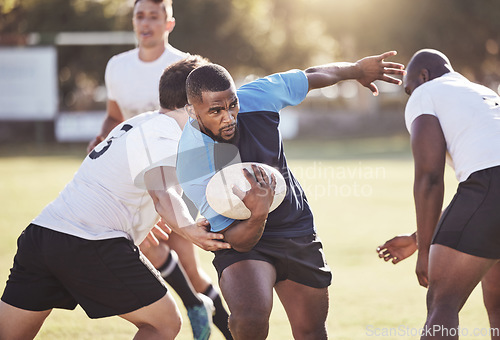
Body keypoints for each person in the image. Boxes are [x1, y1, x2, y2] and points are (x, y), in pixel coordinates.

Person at [175, 51, 405, 339]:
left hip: (294, 226)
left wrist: (356, 69)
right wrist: (258, 214)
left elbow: (312, 76)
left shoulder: (259, 95)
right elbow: (236, 240)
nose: (229, 116)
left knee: (311, 332)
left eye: (232, 105)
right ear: (193, 111)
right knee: (249, 319)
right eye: (215, 111)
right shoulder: (192, 160)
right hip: (244, 240)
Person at [0, 55, 231, 340]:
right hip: (90, 241)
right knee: (165, 324)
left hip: (43, 236)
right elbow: (163, 192)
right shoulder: (167, 132)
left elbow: (132, 185)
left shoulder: (142, 123)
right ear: (191, 105)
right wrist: (189, 230)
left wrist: (148, 216)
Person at [87, 0, 233, 338]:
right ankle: (196, 306)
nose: (146, 23)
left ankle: (218, 321)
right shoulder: (117, 66)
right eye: (140, 16)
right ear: (133, 21)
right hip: (137, 172)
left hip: (179, 169)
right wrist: (103, 136)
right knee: (149, 247)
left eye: (155, 16)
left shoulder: (185, 68)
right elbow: (115, 116)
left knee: (188, 267)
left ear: (169, 23)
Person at [376, 49, 500, 339]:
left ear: (423, 76)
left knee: (442, 302)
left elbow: (431, 178)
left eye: (409, 89)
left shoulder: (426, 92)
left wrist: (427, 250)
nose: (410, 96)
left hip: (489, 188)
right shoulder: (484, 93)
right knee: (498, 304)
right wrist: (420, 237)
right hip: (490, 191)